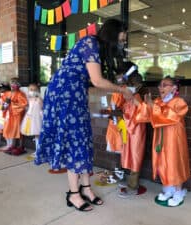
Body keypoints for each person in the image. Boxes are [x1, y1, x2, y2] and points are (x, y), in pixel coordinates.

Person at [34, 19, 133, 212]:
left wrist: (116, 82)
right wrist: (123, 90)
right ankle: (73, 193)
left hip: (75, 93)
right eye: (122, 35)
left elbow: (94, 79)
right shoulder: (90, 43)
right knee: (75, 140)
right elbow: (97, 80)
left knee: (84, 139)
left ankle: (86, 188)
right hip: (64, 94)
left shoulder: (97, 48)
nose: (124, 39)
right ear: (113, 33)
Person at [135, 76, 190, 207]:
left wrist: (151, 105)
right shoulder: (158, 101)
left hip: (174, 139)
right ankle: (168, 189)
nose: (161, 87)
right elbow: (146, 115)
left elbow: (169, 116)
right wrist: (142, 104)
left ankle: (178, 192)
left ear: (174, 88)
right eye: (160, 85)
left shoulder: (179, 102)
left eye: (165, 85)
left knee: (174, 163)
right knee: (162, 162)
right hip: (160, 138)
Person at [117, 69, 148, 198]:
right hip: (130, 132)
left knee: (135, 156)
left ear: (139, 86)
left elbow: (142, 115)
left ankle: (133, 187)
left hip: (136, 131)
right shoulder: (130, 98)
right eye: (129, 83)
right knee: (128, 155)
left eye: (132, 84)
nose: (130, 86)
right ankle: (129, 181)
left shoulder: (137, 98)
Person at [0, 77, 28, 156]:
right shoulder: (8, 93)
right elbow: (3, 102)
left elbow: (23, 104)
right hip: (8, 115)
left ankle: (18, 146)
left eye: (15, 83)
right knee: (7, 129)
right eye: (12, 83)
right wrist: (4, 105)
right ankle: (10, 145)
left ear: (19, 85)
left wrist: (11, 103)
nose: (13, 85)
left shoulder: (21, 94)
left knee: (16, 130)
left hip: (16, 115)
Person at [20, 83, 43, 158]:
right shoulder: (29, 99)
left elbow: (41, 107)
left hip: (37, 118)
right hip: (30, 118)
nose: (32, 91)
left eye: (34, 90)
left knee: (38, 135)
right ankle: (37, 150)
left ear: (38, 91)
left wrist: (38, 99)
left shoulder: (39, 99)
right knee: (36, 136)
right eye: (31, 90)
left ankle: (39, 151)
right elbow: (28, 107)